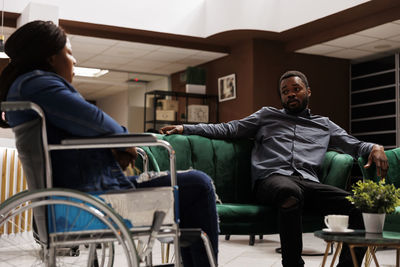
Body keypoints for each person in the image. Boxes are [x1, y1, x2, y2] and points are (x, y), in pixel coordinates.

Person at [0, 20, 218, 267]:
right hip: (91, 199)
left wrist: (116, 142)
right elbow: (97, 121)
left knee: (188, 187)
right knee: (199, 184)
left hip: (76, 193)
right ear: (51, 58)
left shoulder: (26, 86)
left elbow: (87, 127)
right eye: (69, 54)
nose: (74, 61)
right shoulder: (39, 84)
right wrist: (125, 142)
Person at [160, 70, 389, 267]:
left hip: (309, 183)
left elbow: (356, 145)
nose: (290, 93)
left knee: (361, 205)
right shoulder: (266, 116)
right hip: (271, 180)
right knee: (289, 193)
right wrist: (185, 128)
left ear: (308, 92)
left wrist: (376, 147)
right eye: (285, 91)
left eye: (296, 89)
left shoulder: (324, 125)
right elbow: (228, 129)